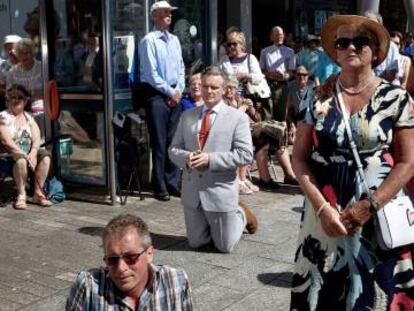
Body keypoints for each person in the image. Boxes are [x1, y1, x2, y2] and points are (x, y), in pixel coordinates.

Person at [290, 15, 414, 310]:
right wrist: (320, 208)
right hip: (324, 215)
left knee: (373, 296)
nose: (351, 47)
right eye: (343, 42)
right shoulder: (316, 95)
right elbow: (298, 157)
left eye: (361, 41)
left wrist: (369, 206)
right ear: (335, 50)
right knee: (322, 294)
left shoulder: (397, 98)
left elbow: (408, 161)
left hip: (378, 214)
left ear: (376, 50)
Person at [169, 67, 257, 253]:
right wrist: (187, 158)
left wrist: (210, 160)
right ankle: (214, 225)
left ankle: (241, 214)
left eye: (215, 87)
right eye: (205, 86)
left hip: (220, 191)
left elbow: (245, 154)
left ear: (224, 89)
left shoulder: (238, 118)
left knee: (225, 247)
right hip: (193, 192)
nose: (209, 91)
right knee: (196, 244)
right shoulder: (187, 116)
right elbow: (173, 150)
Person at [66, 214, 193, 310]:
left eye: (130, 257)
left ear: (149, 254)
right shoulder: (88, 288)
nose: (121, 268)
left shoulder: (175, 281)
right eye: (112, 259)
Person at [139, 0, 185, 201]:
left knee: (174, 140)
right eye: (165, 12)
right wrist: (171, 92)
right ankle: (159, 185)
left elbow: (182, 68)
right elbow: (151, 74)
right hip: (156, 95)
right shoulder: (148, 41)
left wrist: (179, 90)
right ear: (155, 15)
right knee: (159, 142)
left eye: (170, 12)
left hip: (174, 93)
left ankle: (172, 182)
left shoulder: (174, 39)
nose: (170, 15)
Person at [0, 84, 52, 209]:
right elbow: (7, 141)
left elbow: (36, 138)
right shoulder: (2, 116)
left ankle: (38, 193)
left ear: (26, 100)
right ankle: (21, 195)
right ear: (8, 99)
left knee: (45, 156)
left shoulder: (29, 117)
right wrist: (26, 155)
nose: (16, 100)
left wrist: (33, 153)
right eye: (12, 97)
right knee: (21, 160)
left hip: (28, 152)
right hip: (9, 153)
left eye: (19, 97)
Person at [223, 77, 260, 194]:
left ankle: (242, 179)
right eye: (227, 88)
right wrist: (242, 108)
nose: (229, 91)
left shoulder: (239, 99)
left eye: (232, 88)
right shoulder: (222, 102)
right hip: (227, 136)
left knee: (249, 145)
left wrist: (251, 108)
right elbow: (231, 120)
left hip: (245, 134)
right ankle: (236, 180)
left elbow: (257, 118)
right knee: (240, 146)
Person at [6, 38, 45, 137]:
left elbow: (48, 89)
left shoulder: (42, 68)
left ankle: (41, 142)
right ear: (18, 55)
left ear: (33, 53)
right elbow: (9, 93)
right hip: (20, 104)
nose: (25, 56)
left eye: (27, 53)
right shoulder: (12, 71)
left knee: (38, 115)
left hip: (40, 104)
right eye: (21, 53)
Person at [259, 26, 296, 122]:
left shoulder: (290, 51)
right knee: (268, 115)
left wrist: (284, 76)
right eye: (277, 34)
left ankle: (282, 136)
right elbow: (261, 70)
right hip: (267, 85)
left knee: (282, 116)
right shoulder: (265, 51)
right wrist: (270, 74)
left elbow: (291, 72)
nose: (280, 36)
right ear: (271, 37)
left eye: (281, 34)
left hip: (282, 86)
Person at [285, 65, 315, 143]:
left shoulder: (313, 86)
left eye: (304, 75)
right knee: (291, 140)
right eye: (299, 74)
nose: (302, 77)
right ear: (295, 75)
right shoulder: (290, 86)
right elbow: (288, 109)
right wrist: (292, 124)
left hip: (310, 121)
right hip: (296, 119)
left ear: (308, 75)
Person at [0, 35, 21, 110]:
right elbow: (1, 86)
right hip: (11, 104)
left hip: (30, 102)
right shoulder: (4, 65)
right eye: (7, 48)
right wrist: (8, 92)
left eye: (13, 48)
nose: (10, 51)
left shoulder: (27, 62)